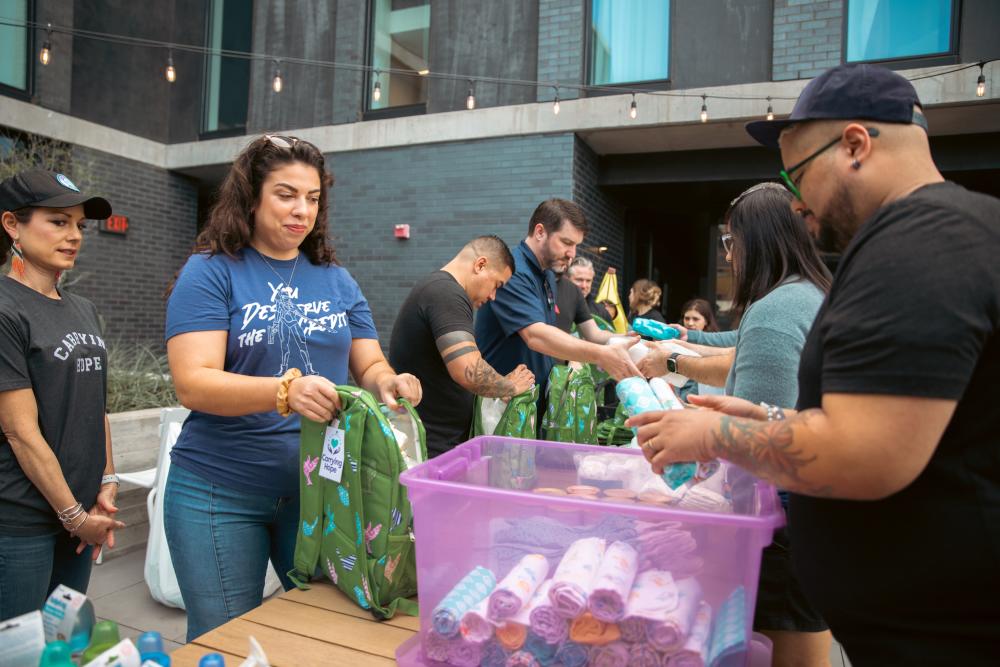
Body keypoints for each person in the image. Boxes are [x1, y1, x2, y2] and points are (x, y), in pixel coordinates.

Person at [629, 63, 1000, 664]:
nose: (798, 199)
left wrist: (716, 433)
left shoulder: (920, 245)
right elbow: (901, 418)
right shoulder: (932, 237)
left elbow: (869, 453)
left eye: (796, 173)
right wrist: (767, 413)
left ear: (854, 145)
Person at [164, 135, 422, 641]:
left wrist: (390, 381)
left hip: (320, 493)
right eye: (286, 194)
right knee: (225, 639)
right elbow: (193, 383)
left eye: (313, 197)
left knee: (323, 633)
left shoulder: (336, 279)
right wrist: (285, 393)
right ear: (251, 197)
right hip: (219, 491)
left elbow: (367, 362)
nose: (301, 210)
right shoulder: (211, 271)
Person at [638, 183, 834, 666]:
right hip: (815, 508)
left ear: (756, 241)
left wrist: (694, 441)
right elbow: (736, 353)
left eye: (731, 241)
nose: (729, 254)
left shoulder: (774, 312)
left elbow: (749, 439)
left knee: (789, 647)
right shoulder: (805, 293)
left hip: (783, 515)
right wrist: (676, 358)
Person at [0, 170, 124, 621]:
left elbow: (96, 408)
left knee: (60, 644)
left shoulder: (82, 308)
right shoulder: (5, 309)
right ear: (12, 224)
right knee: (19, 649)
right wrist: (75, 516)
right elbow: (19, 431)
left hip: (80, 517)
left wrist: (106, 484)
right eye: (58, 222)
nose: (74, 236)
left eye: (79, 226)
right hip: (22, 522)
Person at [474, 198, 639, 401]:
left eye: (576, 245)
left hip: (530, 398)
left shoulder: (547, 275)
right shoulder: (513, 271)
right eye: (566, 243)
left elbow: (593, 333)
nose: (572, 254)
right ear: (540, 232)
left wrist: (632, 342)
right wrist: (601, 354)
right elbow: (536, 336)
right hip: (502, 400)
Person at [389, 236, 534, 457]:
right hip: (431, 447)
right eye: (497, 285)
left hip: (435, 442)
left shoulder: (439, 289)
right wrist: (510, 386)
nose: (494, 296)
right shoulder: (446, 293)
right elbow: (469, 371)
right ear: (480, 265)